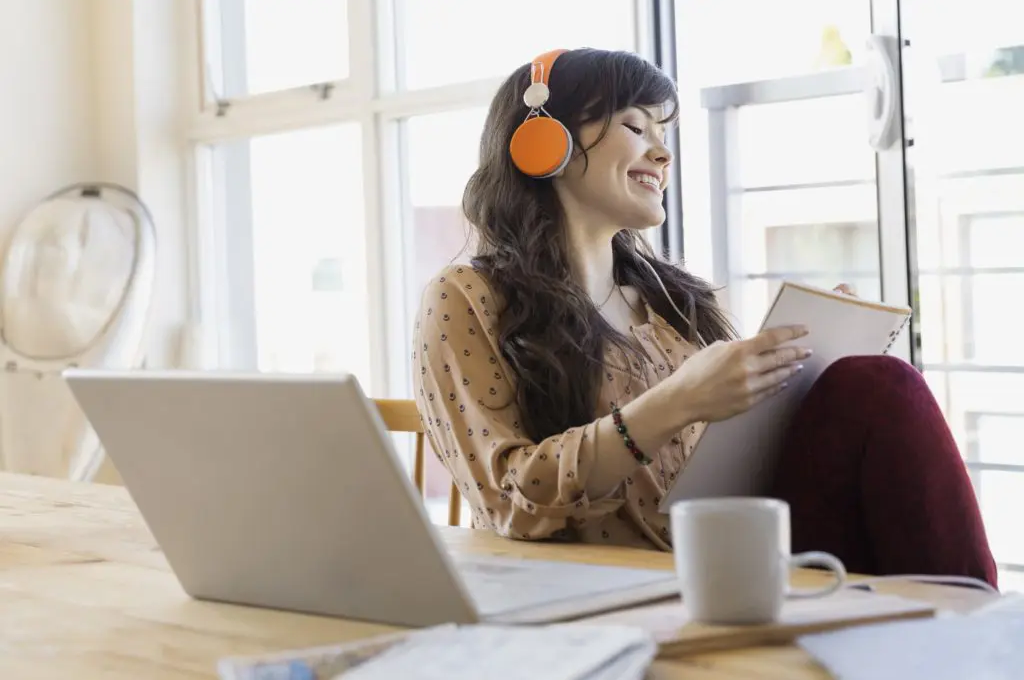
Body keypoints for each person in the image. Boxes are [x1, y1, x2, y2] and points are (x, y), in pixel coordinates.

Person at [411, 48, 997, 587]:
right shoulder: (466, 296)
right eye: (636, 127)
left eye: (664, 134)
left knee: (871, 383)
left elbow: (742, 450)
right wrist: (676, 402)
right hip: (617, 579)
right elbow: (509, 499)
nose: (662, 154)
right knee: (879, 385)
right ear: (544, 144)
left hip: (738, 544)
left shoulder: (674, 300)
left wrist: (804, 366)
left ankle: (975, 632)